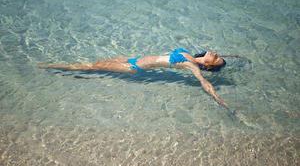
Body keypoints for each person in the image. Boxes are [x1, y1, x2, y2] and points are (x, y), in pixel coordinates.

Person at [38, 48, 231, 111]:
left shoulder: (193, 66)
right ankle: (66, 72)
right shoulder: (189, 55)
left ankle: (50, 67)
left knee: (90, 67)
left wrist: (219, 99)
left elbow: (203, 83)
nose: (214, 53)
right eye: (216, 54)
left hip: (133, 67)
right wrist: (233, 57)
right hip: (131, 59)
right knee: (94, 64)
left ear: (208, 66)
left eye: (215, 58)